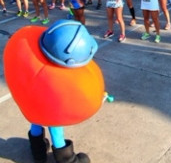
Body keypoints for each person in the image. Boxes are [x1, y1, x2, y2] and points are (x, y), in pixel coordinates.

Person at [4, 19, 105, 163]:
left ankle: (37, 151)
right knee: (55, 125)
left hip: (31, 103)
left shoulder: (27, 55)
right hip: (49, 105)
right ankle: (66, 159)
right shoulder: (58, 81)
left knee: (35, 119)